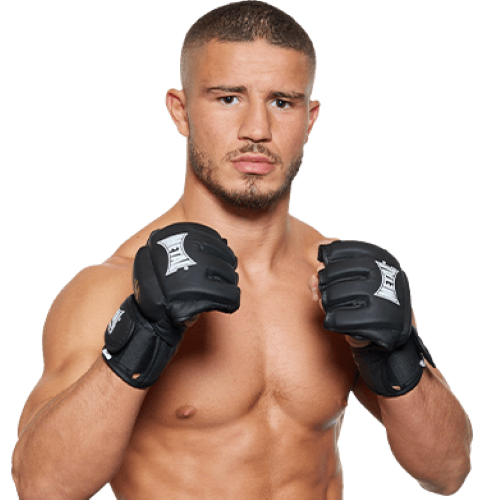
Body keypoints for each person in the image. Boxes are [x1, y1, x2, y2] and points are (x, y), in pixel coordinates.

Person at [12, 2, 473, 499]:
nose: (257, 129)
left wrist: (397, 353)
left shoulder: (345, 279)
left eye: (282, 102)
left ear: (310, 119)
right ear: (181, 111)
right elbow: (42, 487)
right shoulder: (113, 286)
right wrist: (140, 336)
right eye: (229, 98)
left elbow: (447, 471)